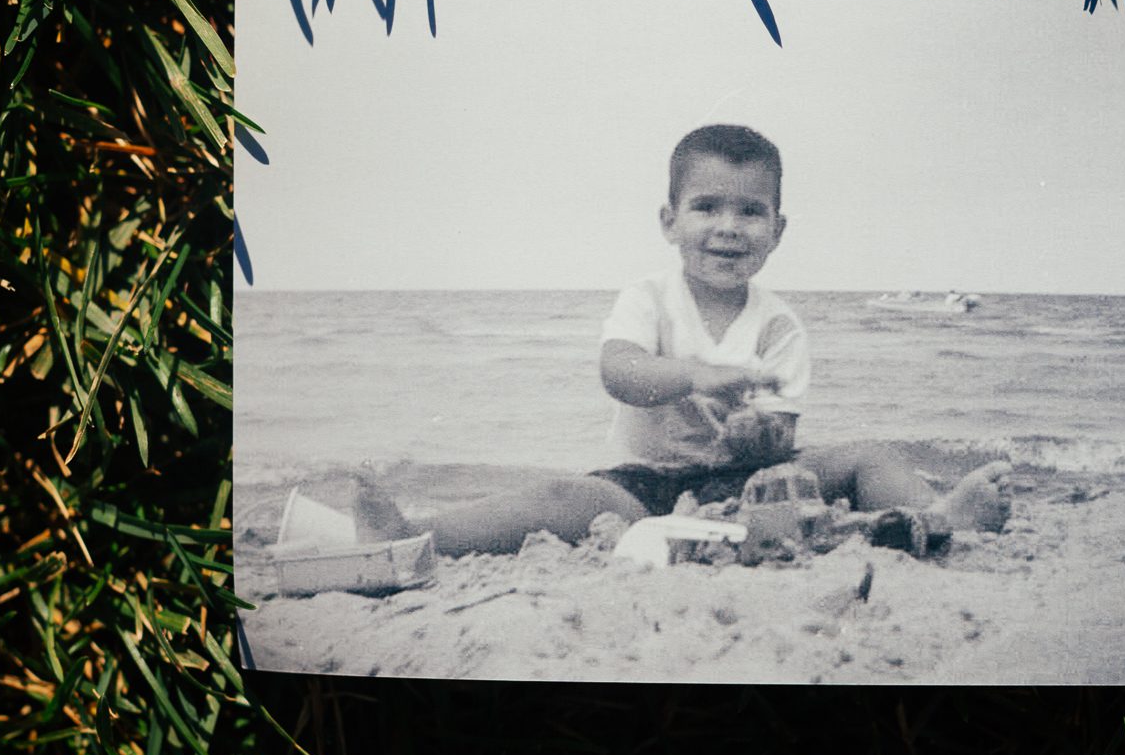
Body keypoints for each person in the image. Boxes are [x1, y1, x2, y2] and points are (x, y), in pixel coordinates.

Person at [357, 124, 1011, 554]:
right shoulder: (649, 298)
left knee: (865, 454)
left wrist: (761, 437)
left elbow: (782, 433)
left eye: (750, 211)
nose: (728, 226)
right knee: (560, 497)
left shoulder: (780, 325)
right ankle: (413, 535)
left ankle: (944, 513)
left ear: (777, 230)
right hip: (641, 486)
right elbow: (620, 372)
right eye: (706, 207)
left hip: (754, 487)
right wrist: (694, 374)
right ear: (670, 222)